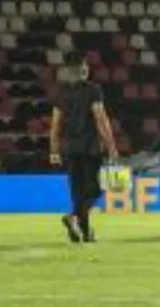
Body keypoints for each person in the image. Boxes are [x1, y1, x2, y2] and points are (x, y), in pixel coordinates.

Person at [49, 56, 119, 245]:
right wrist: (111, 146)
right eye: (83, 66)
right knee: (95, 189)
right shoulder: (92, 90)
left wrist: (54, 150)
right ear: (78, 70)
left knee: (78, 192)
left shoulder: (60, 93)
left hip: (70, 149)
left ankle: (86, 233)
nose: (86, 68)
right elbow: (100, 119)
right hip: (90, 148)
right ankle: (74, 217)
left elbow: (55, 124)